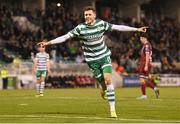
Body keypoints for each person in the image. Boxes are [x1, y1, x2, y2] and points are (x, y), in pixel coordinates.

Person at [38, 6, 148, 118]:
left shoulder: (101, 24)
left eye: (89, 14)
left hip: (104, 57)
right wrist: (48, 43)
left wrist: (136, 29)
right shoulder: (80, 28)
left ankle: (112, 109)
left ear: (94, 15)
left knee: (108, 79)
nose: (87, 17)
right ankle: (103, 89)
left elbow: (117, 27)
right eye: (86, 15)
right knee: (103, 83)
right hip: (92, 61)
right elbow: (65, 37)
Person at [137, 34, 159, 100]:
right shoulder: (146, 45)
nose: (140, 40)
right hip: (145, 63)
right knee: (144, 80)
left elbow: (147, 55)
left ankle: (144, 95)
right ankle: (155, 88)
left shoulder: (146, 45)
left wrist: (146, 65)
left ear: (145, 38)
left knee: (142, 80)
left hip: (144, 63)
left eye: (141, 38)